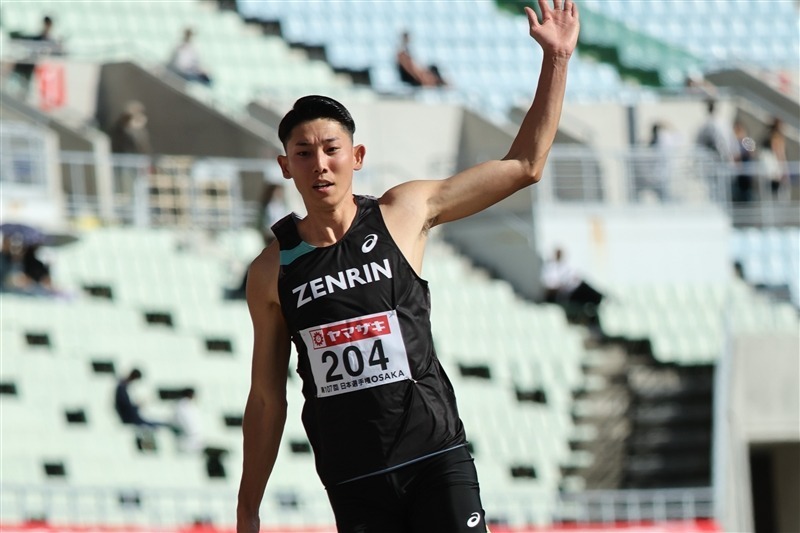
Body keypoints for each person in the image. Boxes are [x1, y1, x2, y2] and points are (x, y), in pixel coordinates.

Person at [236, 2, 579, 532]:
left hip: (434, 459)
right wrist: (248, 507)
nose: (320, 164)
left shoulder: (403, 214)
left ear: (357, 156)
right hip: (355, 481)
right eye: (303, 153)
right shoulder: (271, 270)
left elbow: (524, 166)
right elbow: (265, 397)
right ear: (285, 166)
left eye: (332, 149)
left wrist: (556, 59)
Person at [114, 369, 173, 450]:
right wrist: (137, 406)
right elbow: (125, 406)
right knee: (154, 425)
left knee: (156, 423)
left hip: (132, 415)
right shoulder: (122, 387)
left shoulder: (124, 387)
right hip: (130, 417)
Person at [541, 247, 603, 323]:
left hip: (576, 287)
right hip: (568, 293)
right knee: (586, 292)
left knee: (587, 289)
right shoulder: (550, 267)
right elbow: (551, 285)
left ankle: (598, 301)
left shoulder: (564, 265)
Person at [759, 118, 789, 200]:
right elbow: (779, 152)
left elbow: (780, 153)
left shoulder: (775, 137)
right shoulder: (775, 138)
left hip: (775, 168)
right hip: (774, 168)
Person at [731, 121, 757, 203]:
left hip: (747, 177)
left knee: (747, 197)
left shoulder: (746, 141)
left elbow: (753, 153)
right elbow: (735, 157)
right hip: (738, 176)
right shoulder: (734, 143)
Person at [172, 387, 203, 453]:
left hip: (194, 437)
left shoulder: (190, 405)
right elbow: (184, 422)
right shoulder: (182, 406)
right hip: (187, 437)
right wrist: (190, 433)